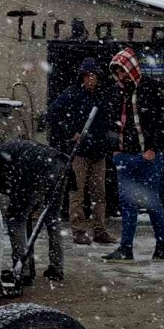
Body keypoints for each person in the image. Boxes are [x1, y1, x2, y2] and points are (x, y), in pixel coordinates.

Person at [102, 47, 164, 263]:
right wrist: (115, 149)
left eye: (122, 70)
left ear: (131, 68)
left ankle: (161, 245)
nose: (120, 75)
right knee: (127, 204)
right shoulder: (116, 92)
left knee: (152, 203)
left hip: (147, 157)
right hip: (124, 157)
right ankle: (126, 248)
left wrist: (153, 148)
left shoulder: (153, 88)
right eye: (116, 71)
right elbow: (112, 122)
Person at [46, 57, 115, 246]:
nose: (91, 79)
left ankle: (99, 230)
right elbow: (52, 114)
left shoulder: (102, 96)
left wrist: (107, 140)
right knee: (77, 194)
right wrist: (70, 133)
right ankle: (78, 231)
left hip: (98, 152)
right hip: (79, 153)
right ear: (82, 77)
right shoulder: (72, 94)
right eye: (87, 75)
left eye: (93, 75)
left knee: (99, 194)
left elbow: (109, 119)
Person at [0, 138, 69, 283]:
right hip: (58, 162)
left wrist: (22, 203)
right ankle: (56, 268)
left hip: (34, 167)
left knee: (16, 218)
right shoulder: (1, 153)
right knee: (53, 218)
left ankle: (22, 271)